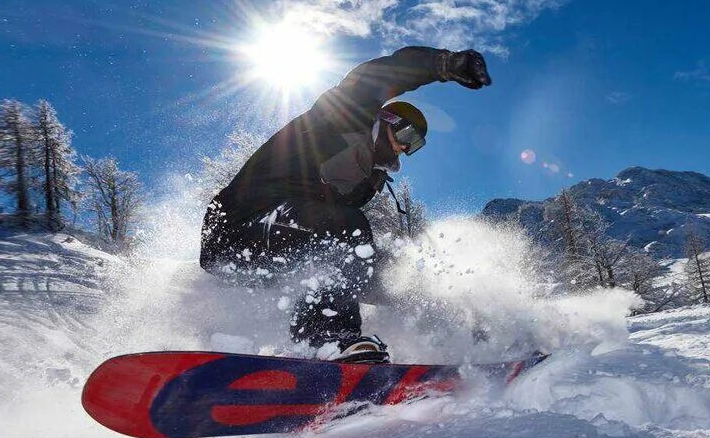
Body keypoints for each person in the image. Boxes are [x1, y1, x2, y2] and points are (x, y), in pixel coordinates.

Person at [200, 46, 492, 363]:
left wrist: (412, 290)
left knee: (395, 277)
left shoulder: (366, 181)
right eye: (406, 135)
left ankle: (470, 343)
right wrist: (444, 64)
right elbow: (374, 77)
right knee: (346, 228)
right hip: (239, 228)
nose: (405, 148)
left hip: (285, 245)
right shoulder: (342, 118)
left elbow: (351, 261)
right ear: (387, 119)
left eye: (415, 146)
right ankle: (325, 341)